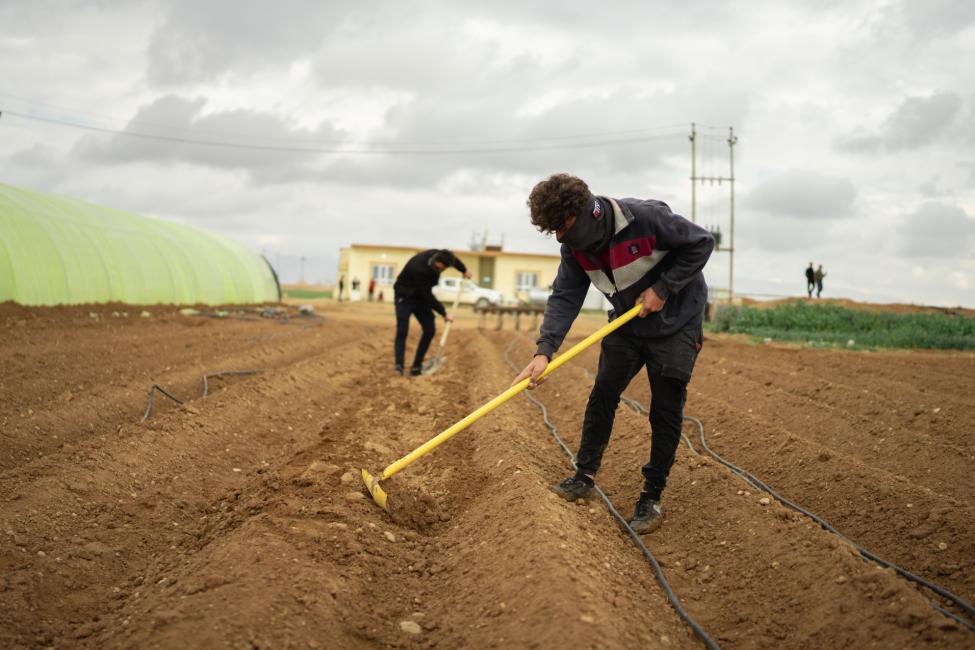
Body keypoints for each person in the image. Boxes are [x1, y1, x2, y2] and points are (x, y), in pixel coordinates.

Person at [511, 174, 714, 534]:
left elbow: (700, 243)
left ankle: (651, 497)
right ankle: (584, 476)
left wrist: (663, 289)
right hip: (626, 324)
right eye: (552, 230)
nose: (559, 236)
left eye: (562, 226)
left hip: (676, 325)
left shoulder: (646, 219)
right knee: (603, 394)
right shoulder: (574, 247)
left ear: (588, 212)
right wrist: (545, 351)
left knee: (665, 409)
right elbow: (565, 296)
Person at [393, 249, 471, 376]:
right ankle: (399, 366)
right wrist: (443, 312)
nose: (439, 271)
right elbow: (427, 296)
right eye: (437, 268)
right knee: (402, 330)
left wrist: (464, 270)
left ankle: (416, 367)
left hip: (420, 298)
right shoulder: (418, 268)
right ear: (435, 261)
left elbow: (454, 260)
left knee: (429, 329)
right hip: (405, 296)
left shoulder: (442, 255)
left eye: (442, 269)